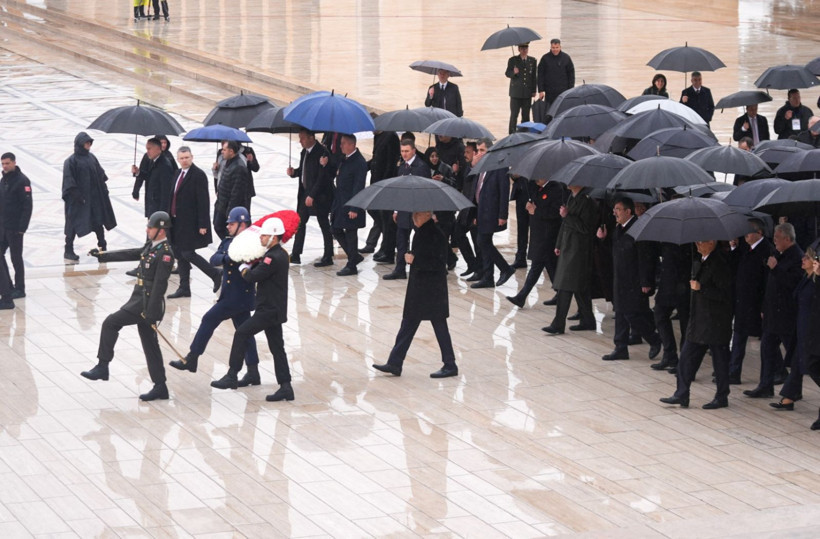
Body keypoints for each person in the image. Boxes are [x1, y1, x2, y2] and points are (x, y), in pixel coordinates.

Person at [81, 211, 175, 401]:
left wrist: (151, 311)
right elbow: (133, 253)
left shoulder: (165, 254)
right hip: (139, 298)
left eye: (151, 227)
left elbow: (159, 286)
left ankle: (103, 366)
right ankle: (160, 387)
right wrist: (103, 256)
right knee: (150, 344)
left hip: (145, 303)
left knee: (111, 323)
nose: (147, 229)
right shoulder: (152, 246)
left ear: (162, 230)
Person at [169, 207, 260, 386]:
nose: (228, 227)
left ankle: (192, 358)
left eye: (232, 224)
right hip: (231, 294)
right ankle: (253, 372)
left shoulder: (252, 243)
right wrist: (228, 257)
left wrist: (232, 257)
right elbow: (214, 259)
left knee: (209, 319)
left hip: (238, 296)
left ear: (243, 224)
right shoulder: (228, 242)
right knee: (245, 333)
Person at [211, 217, 294, 402]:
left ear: (273, 237)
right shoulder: (279, 253)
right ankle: (286, 386)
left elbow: (253, 277)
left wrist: (244, 267)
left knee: (241, 333)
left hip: (268, 310)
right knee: (277, 348)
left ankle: (232, 375)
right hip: (275, 308)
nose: (261, 238)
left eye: (264, 235)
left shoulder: (272, 257)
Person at [373, 211, 458, 378]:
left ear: (424, 216)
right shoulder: (423, 232)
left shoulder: (433, 233)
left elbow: (439, 262)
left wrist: (414, 260)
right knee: (408, 325)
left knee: (438, 326)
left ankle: (450, 364)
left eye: (415, 216)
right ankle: (395, 363)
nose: (412, 219)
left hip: (430, 289)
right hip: (422, 288)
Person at [660, 239, 734, 409]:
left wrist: (701, 288)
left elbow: (724, 294)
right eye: (697, 241)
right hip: (700, 321)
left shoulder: (720, 263)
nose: (698, 244)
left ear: (712, 243)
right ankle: (681, 394)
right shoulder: (700, 261)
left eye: (702, 242)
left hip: (715, 322)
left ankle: (722, 396)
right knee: (686, 358)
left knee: (720, 361)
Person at [598, 197, 662, 361]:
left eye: (618, 209)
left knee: (632, 314)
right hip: (620, 278)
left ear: (628, 211)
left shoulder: (638, 228)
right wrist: (603, 238)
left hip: (634, 280)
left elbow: (645, 257)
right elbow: (614, 252)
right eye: (614, 209)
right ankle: (620, 347)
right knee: (620, 313)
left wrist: (646, 282)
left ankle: (654, 339)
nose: (615, 213)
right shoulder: (618, 228)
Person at [744, 223, 803, 399]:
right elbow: (770, 286)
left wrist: (775, 269)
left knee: (793, 355)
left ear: (787, 238)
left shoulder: (797, 257)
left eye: (777, 238)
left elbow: (792, 284)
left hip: (787, 315)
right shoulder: (778, 254)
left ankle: (794, 391)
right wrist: (764, 307)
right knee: (767, 349)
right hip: (772, 313)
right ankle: (765, 385)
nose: (774, 241)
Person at [542, 184, 598, 334]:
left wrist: (568, 216)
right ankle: (588, 320)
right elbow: (564, 225)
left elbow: (586, 228)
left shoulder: (586, 202)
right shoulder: (571, 198)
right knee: (579, 288)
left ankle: (558, 324)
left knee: (565, 287)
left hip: (578, 250)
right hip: (568, 247)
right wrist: (559, 243)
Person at [167, 146, 221, 298]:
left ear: (192, 157)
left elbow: (203, 200)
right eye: (182, 158)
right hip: (176, 222)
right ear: (178, 159)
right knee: (179, 254)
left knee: (188, 253)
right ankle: (184, 287)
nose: (184, 161)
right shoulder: (177, 173)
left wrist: (203, 224)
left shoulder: (198, 175)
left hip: (190, 222)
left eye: (187, 158)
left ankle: (214, 274)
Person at [770, 247, 817, 411]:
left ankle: (789, 397)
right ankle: (789, 397)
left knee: (810, 365)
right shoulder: (807, 277)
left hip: (811, 329)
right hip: (801, 327)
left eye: (807, 258)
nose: (803, 259)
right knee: (798, 362)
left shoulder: (816, 281)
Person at [728, 219, 774, 383]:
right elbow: (734, 266)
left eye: (749, 231)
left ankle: (780, 370)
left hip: (756, 303)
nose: (746, 235)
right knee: (739, 335)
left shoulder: (767, 250)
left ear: (759, 233)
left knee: (768, 339)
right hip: (743, 301)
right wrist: (733, 247)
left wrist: (764, 305)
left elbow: (767, 281)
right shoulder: (745, 248)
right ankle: (734, 372)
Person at [506, 178, 564, 307]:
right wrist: (529, 205)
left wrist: (536, 211)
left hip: (548, 235)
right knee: (550, 265)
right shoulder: (534, 187)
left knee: (537, 265)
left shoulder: (556, 188)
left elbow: (555, 213)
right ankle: (561, 293)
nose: (535, 178)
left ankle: (521, 297)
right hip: (538, 234)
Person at [62, 132, 116, 261]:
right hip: (77, 201)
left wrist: (104, 190)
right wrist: (78, 197)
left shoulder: (91, 158)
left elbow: (100, 174)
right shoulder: (70, 161)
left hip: (94, 199)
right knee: (73, 224)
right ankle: (68, 249)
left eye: (89, 143)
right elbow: (69, 182)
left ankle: (102, 246)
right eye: (86, 143)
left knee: (98, 221)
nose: (88, 145)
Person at [469, 139, 515, 289]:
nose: (479, 153)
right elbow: (477, 188)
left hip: (492, 212)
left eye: (482, 150)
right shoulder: (481, 166)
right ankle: (489, 276)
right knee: (483, 242)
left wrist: (503, 215)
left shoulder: (499, 167)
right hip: (481, 210)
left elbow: (503, 191)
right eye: (478, 150)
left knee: (483, 241)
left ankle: (505, 269)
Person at [384, 139, 432, 280]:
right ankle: (400, 269)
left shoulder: (421, 167)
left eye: (407, 151)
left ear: (413, 151)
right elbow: (400, 190)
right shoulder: (402, 168)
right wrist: (397, 210)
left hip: (418, 211)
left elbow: (425, 190)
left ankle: (420, 267)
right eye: (402, 151)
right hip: (404, 209)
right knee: (401, 240)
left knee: (419, 240)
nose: (404, 154)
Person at [287, 129, 334, 267]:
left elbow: (322, 177)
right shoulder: (305, 152)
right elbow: (303, 170)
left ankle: (328, 255)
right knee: (300, 223)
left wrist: (312, 195)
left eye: (303, 138)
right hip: (304, 194)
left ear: (311, 138)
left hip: (319, 196)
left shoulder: (322, 152)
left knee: (324, 224)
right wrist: (294, 172)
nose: (300, 141)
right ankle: (296, 254)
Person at [650, 242, 691, 372]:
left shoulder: (693, 237)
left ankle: (684, 361)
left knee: (686, 324)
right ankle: (669, 355)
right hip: (667, 283)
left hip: (685, 285)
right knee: (660, 315)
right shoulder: (669, 236)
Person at [331, 134, 368, 276]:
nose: (341, 146)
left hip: (352, 205)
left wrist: (355, 207)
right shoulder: (345, 159)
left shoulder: (359, 162)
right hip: (340, 202)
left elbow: (359, 186)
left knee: (351, 234)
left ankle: (352, 265)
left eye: (344, 143)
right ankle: (354, 256)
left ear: (352, 145)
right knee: (335, 229)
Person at [0, 152, 33, 300]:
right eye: (3, 164)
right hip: (3, 227)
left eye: (7, 163)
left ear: (14, 162)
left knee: (16, 258)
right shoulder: (4, 180)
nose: (5, 166)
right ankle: (8, 285)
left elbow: (27, 206)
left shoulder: (22, 181)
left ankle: (20, 288)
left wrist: (22, 228)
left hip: (15, 228)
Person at [367, 129, 400, 261]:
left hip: (386, 185)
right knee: (374, 211)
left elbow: (391, 162)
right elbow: (377, 159)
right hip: (376, 183)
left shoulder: (390, 136)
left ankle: (388, 250)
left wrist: (385, 183)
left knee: (387, 218)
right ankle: (387, 243)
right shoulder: (378, 137)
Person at [213, 140, 251, 240]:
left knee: (224, 229)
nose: (222, 151)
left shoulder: (239, 167)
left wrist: (230, 213)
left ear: (231, 151)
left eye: (224, 150)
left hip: (228, 208)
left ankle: (231, 246)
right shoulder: (228, 162)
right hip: (221, 204)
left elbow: (236, 193)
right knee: (217, 226)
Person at [132, 137, 174, 218]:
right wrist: (138, 172)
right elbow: (150, 177)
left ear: (158, 149)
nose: (147, 152)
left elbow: (166, 193)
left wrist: (162, 217)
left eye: (149, 149)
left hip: (158, 210)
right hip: (152, 205)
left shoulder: (164, 165)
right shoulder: (153, 160)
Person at [506, 43, 538, 134]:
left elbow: (533, 77)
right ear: (519, 49)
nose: (524, 50)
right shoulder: (513, 60)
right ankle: (511, 134)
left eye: (526, 48)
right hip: (515, 93)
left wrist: (533, 90)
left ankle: (524, 134)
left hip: (527, 93)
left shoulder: (532, 60)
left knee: (526, 116)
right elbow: (507, 73)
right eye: (522, 48)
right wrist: (513, 72)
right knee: (514, 115)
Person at [537, 39, 575, 108]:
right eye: (553, 48)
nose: (555, 50)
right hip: (549, 92)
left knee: (562, 111)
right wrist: (541, 90)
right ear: (550, 47)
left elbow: (571, 75)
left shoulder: (566, 58)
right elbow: (540, 75)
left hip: (563, 92)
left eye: (557, 47)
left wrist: (571, 90)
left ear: (560, 47)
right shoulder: (545, 58)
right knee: (549, 112)